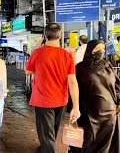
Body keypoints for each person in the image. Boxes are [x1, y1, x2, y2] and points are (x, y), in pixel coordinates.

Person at [25, 23, 81, 153]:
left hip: (43, 101)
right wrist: (76, 106)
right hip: (61, 100)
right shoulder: (66, 55)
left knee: (46, 134)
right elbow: (72, 82)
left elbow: (27, 71)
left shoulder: (37, 53)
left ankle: (47, 149)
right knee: (52, 132)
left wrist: (38, 48)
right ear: (60, 36)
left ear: (45, 36)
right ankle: (45, 148)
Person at [70, 40, 120, 153]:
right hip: (89, 113)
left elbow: (117, 85)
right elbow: (74, 89)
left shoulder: (107, 65)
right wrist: (74, 107)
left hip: (109, 113)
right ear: (90, 50)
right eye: (98, 49)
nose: (101, 51)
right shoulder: (80, 68)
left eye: (103, 49)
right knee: (89, 141)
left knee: (105, 143)